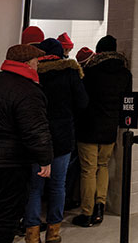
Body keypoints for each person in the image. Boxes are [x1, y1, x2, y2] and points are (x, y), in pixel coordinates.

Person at [23, 39, 89, 243]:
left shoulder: (33, 74)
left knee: (34, 188)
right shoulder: (70, 73)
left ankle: (32, 234)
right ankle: (54, 232)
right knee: (58, 186)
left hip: (36, 138)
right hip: (62, 137)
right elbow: (83, 103)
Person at [0, 44, 52, 243]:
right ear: (26, 64)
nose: (37, 67)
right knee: (6, 217)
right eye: (35, 62)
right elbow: (35, 130)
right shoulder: (28, 91)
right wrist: (45, 159)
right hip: (10, 164)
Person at [73, 35, 132, 227]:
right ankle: (100, 207)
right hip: (110, 128)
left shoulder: (90, 72)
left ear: (99, 51)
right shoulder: (125, 74)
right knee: (103, 166)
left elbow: (81, 101)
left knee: (88, 170)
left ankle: (87, 212)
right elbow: (127, 102)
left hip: (88, 127)